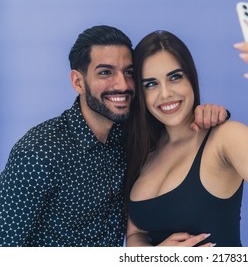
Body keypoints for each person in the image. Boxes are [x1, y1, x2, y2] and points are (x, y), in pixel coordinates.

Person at [0, 25, 228, 247]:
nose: (123, 84)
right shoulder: (38, 152)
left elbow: (178, 124)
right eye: (105, 72)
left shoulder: (135, 134)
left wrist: (212, 114)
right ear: (78, 82)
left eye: (128, 72)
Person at [125, 24, 248, 247]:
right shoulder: (145, 149)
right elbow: (136, 234)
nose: (165, 93)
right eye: (151, 84)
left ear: (191, 77)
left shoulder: (224, 138)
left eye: (175, 77)